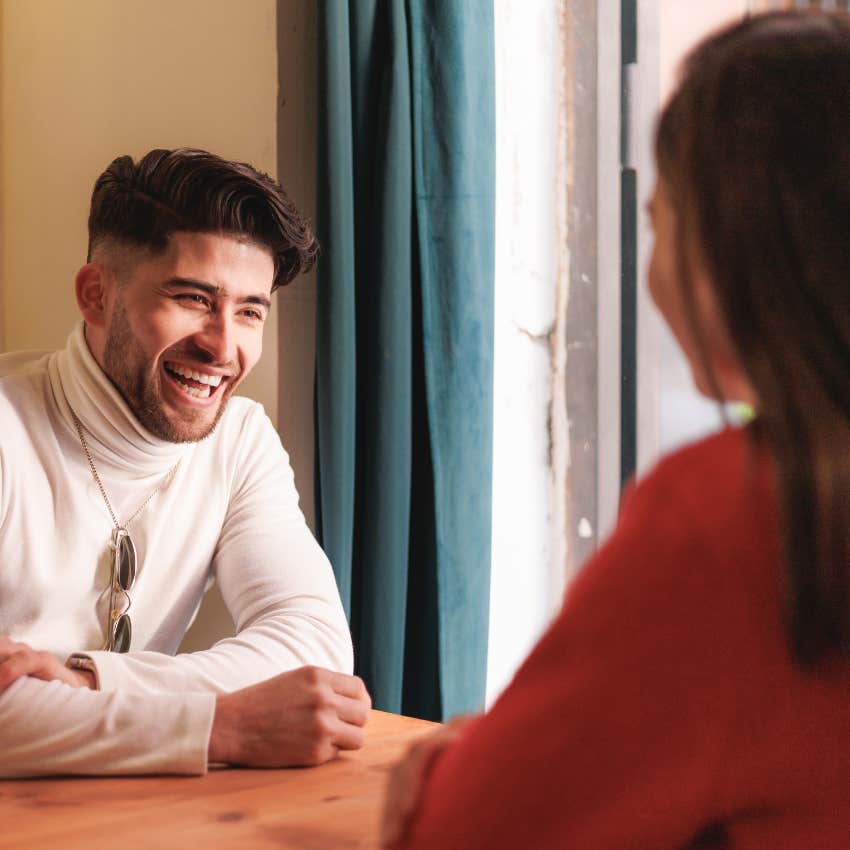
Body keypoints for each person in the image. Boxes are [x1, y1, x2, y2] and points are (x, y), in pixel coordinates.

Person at [381, 10, 850, 849]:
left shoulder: (739, 516)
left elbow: (466, 831)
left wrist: (450, 774)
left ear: (732, 247)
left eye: (658, 219)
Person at [0, 148, 370, 776]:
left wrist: (86, 683)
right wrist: (221, 727)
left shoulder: (241, 439)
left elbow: (313, 646)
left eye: (250, 310)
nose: (224, 346)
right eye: (194, 298)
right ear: (95, 296)